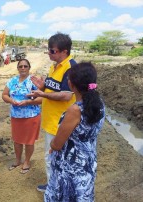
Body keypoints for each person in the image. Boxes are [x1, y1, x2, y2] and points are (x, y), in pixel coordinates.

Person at [44, 62, 105, 201]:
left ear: (71, 85)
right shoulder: (99, 103)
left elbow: (57, 144)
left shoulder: (75, 110)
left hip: (70, 166)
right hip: (88, 160)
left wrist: (52, 145)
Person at [29, 32, 77, 192]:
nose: (49, 53)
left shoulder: (71, 68)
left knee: (53, 157)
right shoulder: (54, 66)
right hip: (51, 121)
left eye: (52, 51)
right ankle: (54, 186)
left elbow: (66, 95)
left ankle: (55, 191)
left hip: (60, 123)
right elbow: (53, 88)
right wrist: (42, 86)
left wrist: (42, 94)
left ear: (64, 51)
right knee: (53, 157)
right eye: (48, 50)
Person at [2, 59, 42, 174]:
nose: (23, 68)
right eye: (20, 66)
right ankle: (18, 160)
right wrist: (11, 100)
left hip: (31, 115)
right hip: (16, 116)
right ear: (18, 68)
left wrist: (27, 102)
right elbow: (4, 95)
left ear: (29, 68)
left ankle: (27, 162)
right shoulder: (12, 81)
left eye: (25, 66)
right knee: (17, 140)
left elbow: (42, 99)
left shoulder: (34, 81)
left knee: (29, 141)